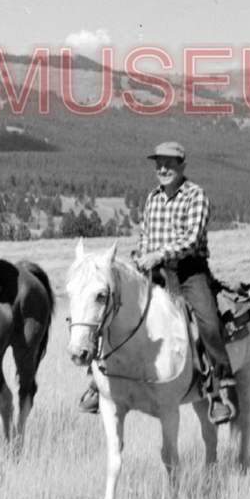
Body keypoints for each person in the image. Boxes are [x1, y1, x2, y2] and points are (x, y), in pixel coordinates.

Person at [79, 141, 238, 424]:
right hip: (153, 269)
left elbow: (191, 239)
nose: (163, 169)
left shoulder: (195, 195)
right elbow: (144, 235)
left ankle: (220, 388)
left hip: (189, 271)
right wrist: (141, 254)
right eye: (159, 164)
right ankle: (97, 382)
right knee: (114, 310)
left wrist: (158, 254)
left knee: (207, 320)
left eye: (170, 163)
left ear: (182, 166)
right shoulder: (152, 198)